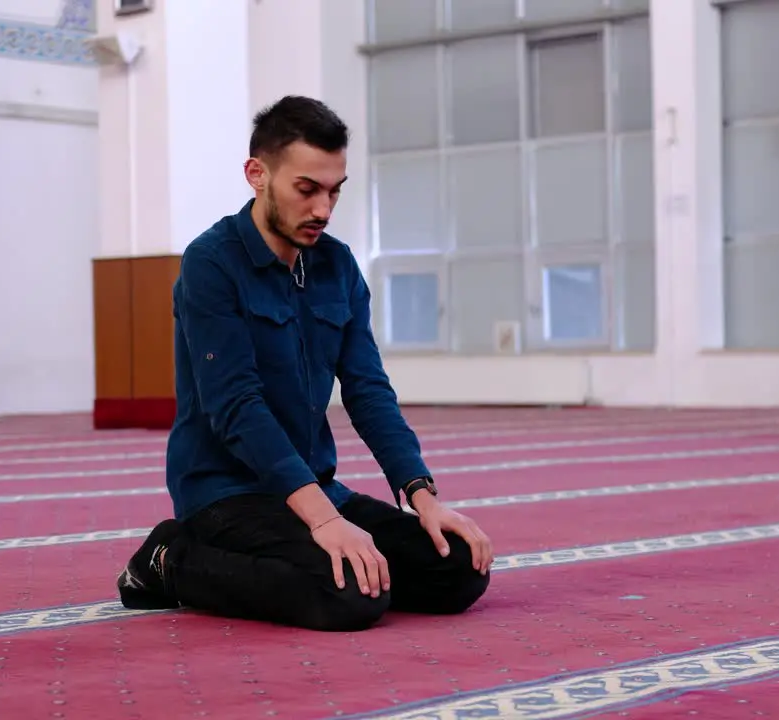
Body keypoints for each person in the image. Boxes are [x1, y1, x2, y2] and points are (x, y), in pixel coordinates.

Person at [114, 96, 494, 632]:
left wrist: (423, 498)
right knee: (346, 595)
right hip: (226, 493)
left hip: (315, 486)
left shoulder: (336, 265)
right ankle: (170, 559)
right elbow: (236, 406)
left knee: (455, 568)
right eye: (307, 189)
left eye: (335, 191)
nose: (323, 209)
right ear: (257, 175)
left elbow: (368, 390)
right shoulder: (212, 264)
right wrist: (323, 521)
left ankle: (325, 557)